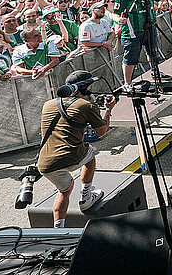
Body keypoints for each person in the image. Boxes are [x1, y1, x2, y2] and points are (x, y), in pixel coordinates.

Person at [37, 71, 116, 228]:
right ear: (85, 87)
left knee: (65, 191)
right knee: (91, 154)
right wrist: (108, 110)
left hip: (44, 163)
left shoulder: (48, 104)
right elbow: (101, 131)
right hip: (70, 155)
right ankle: (86, 197)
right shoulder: (86, 105)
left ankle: (58, 230)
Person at [114, 0, 169, 84]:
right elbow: (115, 13)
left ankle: (155, 72)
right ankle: (127, 83)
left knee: (152, 52)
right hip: (132, 32)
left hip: (150, 27)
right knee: (130, 58)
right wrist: (119, 20)